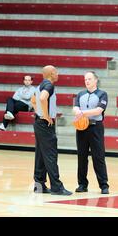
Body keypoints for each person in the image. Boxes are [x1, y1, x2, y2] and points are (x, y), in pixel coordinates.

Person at [31, 65, 72, 196]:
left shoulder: (39, 85)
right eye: (56, 72)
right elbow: (43, 98)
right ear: (52, 74)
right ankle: (56, 187)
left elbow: (33, 100)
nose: (58, 74)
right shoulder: (49, 85)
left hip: (38, 122)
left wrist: (39, 113)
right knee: (50, 155)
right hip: (45, 123)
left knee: (41, 155)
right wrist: (46, 116)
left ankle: (39, 185)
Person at [73, 71, 110, 194]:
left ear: (96, 80)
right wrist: (77, 111)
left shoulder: (102, 94)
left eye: (89, 79)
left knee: (98, 157)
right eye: (85, 79)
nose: (87, 81)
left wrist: (82, 113)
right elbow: (75, 107)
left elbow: (99, 110)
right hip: (81, 129)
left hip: (96, 128)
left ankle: (104, 185)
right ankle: (82, 184)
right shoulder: (80, 94)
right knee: (81, 157)